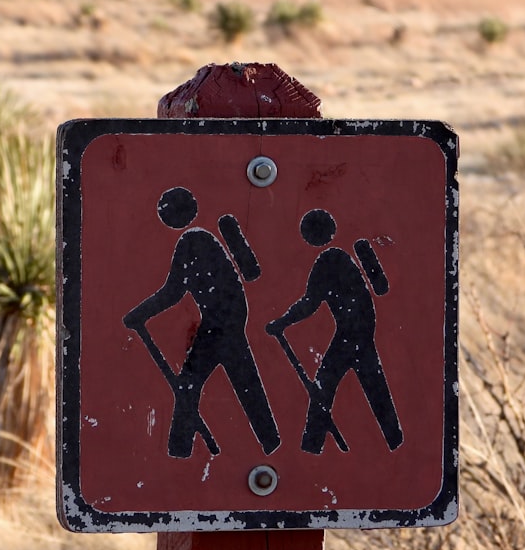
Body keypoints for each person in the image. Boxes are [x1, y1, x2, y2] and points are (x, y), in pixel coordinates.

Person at [123, 186, 280, 458]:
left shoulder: (193, 241)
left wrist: (139, 314)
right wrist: (140, 314)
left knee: (190, 384)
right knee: (239, 382)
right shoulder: (200, 239)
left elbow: (172, 292)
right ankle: (270, 442)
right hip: (224, 320)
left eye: (166, 210)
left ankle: (179, 452)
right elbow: (177, 291)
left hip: (221, 322)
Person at [266, 208, 403, 454]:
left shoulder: (329, 260)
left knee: (324, 386)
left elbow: (310, 302)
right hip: (359, 330)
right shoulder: (340, 256)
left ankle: (311, 447)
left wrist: (282, 322)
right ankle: (395, 440)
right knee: (371, 386)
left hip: (352, 333)